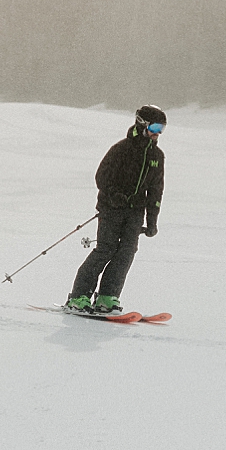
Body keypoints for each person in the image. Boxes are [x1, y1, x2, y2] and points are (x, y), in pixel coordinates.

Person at [65, 105, 166, 314]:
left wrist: (152, 221)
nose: (157, 133)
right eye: (155, 127)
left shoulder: (157, 156)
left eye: (162, 129)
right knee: (106, 249)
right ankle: (79, 296)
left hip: (135, 212)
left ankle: (107, 297)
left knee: (127, 252)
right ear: (142, 124)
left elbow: (156, 191)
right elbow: (101, 177)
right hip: (112, 208)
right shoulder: (122, 149)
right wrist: (114, 196)